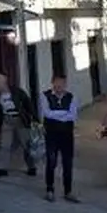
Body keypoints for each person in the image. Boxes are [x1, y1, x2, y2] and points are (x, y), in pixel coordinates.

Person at [39, 73, 80, 202]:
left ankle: (68, 191)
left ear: (65, 84)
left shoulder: (71, 97)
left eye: (62, 83)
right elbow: (46, 113)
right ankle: (49, 189)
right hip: (51, 134)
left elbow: (72, 115)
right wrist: (64, 114)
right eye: (57, 83)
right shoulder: (45, 96)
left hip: (67, 134)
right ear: (52, 83)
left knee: (68, 162)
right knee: (51, 161)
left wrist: (55, 115)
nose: (59, 86)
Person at [0, 73, 37, 177]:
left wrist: (34, 117)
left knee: (26, 144)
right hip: (7, 120)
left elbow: (28, 104)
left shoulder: (17, 92)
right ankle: (2, 168)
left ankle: (31, 166)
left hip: (20, 119)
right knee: (4, 145)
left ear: (4, 82)